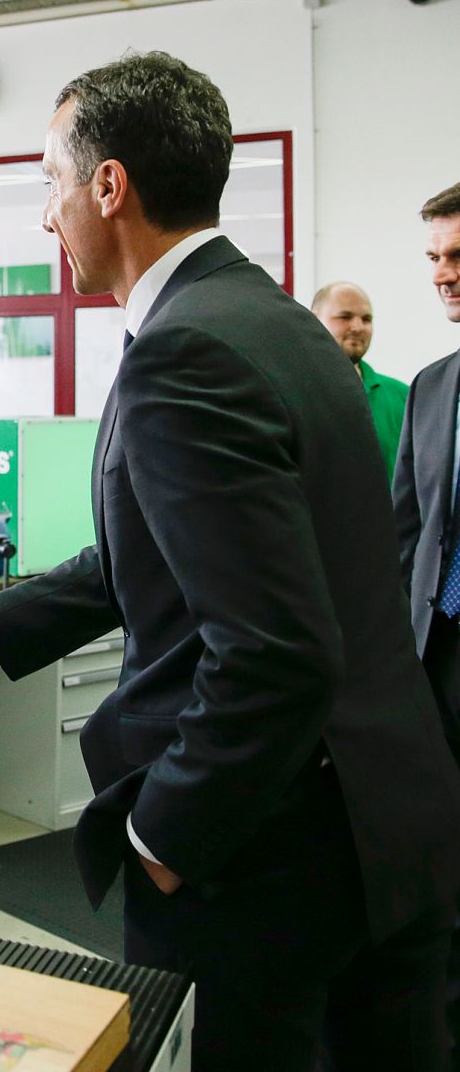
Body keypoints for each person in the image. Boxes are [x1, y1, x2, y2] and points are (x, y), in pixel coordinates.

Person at [0, 54, 460, 1069]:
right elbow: (138, 559)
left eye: (50, 183)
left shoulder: (186, 352)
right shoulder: (286, 329)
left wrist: (165, 837)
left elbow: (273, 652)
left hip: (263, 850)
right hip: (385, 822)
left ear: (108, 184)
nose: (44, 219)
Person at [389, 180, 460, 1065]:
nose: (446, 275)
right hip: (436, 656)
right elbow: (404, 532)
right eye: (438, 260)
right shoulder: (433, 387)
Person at [311, 280, 407, 471]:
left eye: (366, 319)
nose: (358, 327)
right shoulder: (292, 393)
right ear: (313, 320)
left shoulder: (404, 396)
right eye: (345, 317)